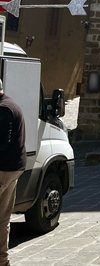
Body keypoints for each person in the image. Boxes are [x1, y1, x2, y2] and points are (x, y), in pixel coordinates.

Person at [0, 78, 26, 266]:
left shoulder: (3, 109)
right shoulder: (11, 104)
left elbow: (1, 143)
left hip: (3, 168)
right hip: (13, 167)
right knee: (2, 218)